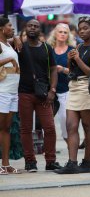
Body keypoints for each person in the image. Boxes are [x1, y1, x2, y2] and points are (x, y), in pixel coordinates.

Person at [55, 17, 90, 174]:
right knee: (71, 126)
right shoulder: (79, 46)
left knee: (88, 127)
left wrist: (77, 59)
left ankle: (86, 163)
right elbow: (72, 71)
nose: (81, 31)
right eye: (80, 28)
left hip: (86, 87)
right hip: (73, 87)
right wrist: (69, 60)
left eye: (86, 28)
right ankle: (72, 163)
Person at [17, 19, 61, 172]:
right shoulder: (19, 47)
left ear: (40, 30)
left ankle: (50, 161)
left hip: (44, 94)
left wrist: (52, 90)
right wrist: (16, 38)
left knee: (49, 128)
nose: (33, 28)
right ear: (25, 28)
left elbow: (54, 69)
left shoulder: (47, 48)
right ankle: (30, 162)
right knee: (26, 129)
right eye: (30, 25)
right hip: (24, 93)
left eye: (36, 26)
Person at [46, 23, 75, 143]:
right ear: (55, 33)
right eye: (60, 32)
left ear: (68, 35)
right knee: (46, 122)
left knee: (65, 122)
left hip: (66, 90)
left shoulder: (72, 50)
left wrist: (63, 69)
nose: (62, 34)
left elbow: (75, 72)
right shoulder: (48, 49)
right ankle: (47, 149)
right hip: (49, 91)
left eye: (65, 32)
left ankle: (69, 146)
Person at [0, 17, 21, 174]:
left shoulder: (8, 43)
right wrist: (10, 59)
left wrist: (16, 38)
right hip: (2, 91)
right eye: (9, 26)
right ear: (1, 28)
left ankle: (5, 164)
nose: (12, 29)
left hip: (13, 91)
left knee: (6, 128)